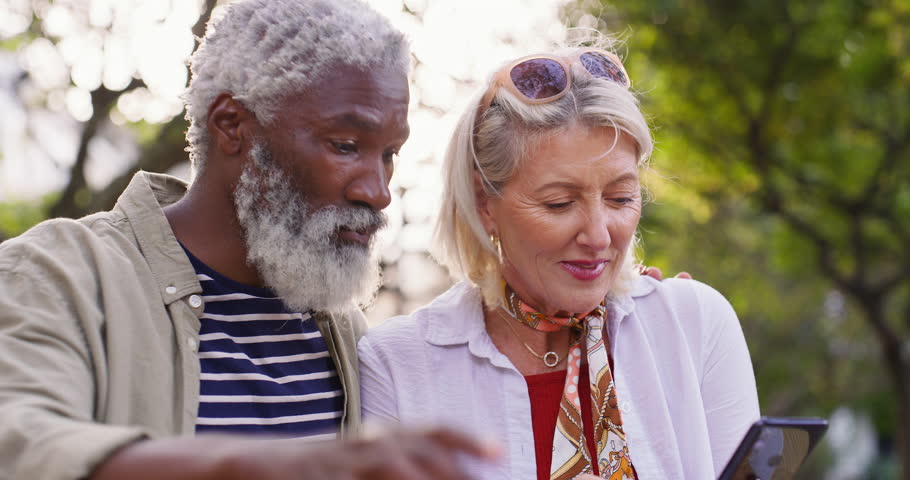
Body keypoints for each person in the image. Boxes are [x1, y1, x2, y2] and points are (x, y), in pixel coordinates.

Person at [0, 1, 497, 479]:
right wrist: (263, 465)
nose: (378, 191)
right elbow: (23, 444)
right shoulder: (54, 274)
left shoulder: (342, 328)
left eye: (389, 154)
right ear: (232, 126)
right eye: (346, 146)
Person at [358, 39, 761, 479]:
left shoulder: (695, 325)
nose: (598, 235)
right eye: (559, 204)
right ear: (483, 204)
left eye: (621, 197)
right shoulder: (396, 366)